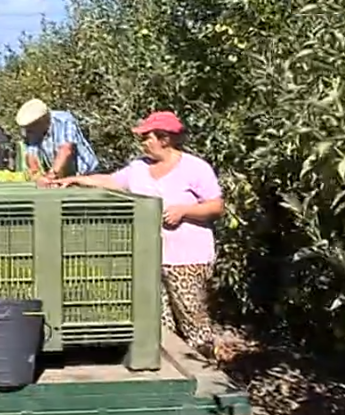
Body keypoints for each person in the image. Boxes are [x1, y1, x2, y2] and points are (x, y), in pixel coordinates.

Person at [53, 111, 231, 361]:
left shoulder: (195, 168)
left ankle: (205, 367)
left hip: (188, 258)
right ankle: (172, 368)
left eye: (147, 137)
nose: (143, 142)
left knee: (192, 316)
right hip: (150, 257)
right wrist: (76, 180)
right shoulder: (139, 168)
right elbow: (111, 181)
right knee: (159, 320)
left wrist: (184, 211)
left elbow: (216, 206)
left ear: (165, 139)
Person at [15, 98, 99, 186]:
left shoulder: (64, 120)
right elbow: (31, 155)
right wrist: (37, 175)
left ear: (42, 119)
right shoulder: (33, 130)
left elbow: (66, 150)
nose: (29, 131)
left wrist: (51, 175)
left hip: (86, 175)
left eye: (32, 126)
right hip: (62, 176)